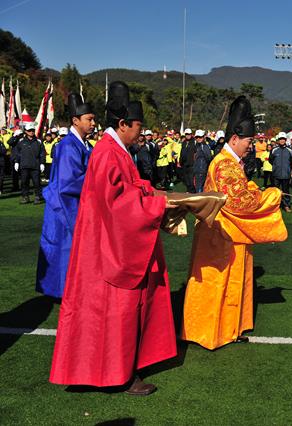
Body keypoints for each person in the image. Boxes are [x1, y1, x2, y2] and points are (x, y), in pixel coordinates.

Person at [50, 81, 177, 395]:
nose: (140, 132)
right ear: (123, 124)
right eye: (137, 126)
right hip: (108, 248)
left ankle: (113, 370)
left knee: (109, 312)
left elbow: (128, 190)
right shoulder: (108, 154)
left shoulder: (112, 151)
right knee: (117, 311)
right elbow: (119, 206)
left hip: (101, 243)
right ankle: (120, 374)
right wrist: (157, 203)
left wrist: (151, 192)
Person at [182, 96, 287, 350]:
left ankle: (230, 328)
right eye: (250, 141)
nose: (251, 146)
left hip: (229, 235)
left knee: (232, 283)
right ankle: (210, 331)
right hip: (220, 237)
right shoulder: (225, 165)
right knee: (218, 283)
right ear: (234, 139)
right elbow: (240, 202)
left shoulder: (229, 163)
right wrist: (269, 195)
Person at [36, 93, 95, 299]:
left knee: (67, 251)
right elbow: (69, 183)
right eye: (89, 119)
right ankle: (65, 291)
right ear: (75, 120)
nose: (93, 123)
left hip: (70, 204)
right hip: (64, 207)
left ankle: (69, 289)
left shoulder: (83, 144)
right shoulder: (69, 145)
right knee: (64, 250)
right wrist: (97, 180)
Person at [12, 121, 45, 204]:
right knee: (24, 183)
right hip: (24, 165)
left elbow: (42, 153)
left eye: (33, 130)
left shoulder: (39, 141)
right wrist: (16, 162)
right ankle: (25, 197)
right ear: (25, 131)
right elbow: (17, 153)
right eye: (29, 130)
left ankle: (38, 196)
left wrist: (42, 163)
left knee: (37, 183)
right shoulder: (21, 141)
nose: (32, 132)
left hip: (35, 166)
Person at [270, 132, 292, 212]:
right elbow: (271, 160)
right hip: (276, 174)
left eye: (283, 139)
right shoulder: (274, 150)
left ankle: (286, 205)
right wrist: (276, 167)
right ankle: (275, 206)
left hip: (286, 174)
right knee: (275, 191)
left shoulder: (290, 150)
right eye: (280, 139)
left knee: (286, 191)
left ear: (285, 140)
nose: (282, 141)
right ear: (278, 140)